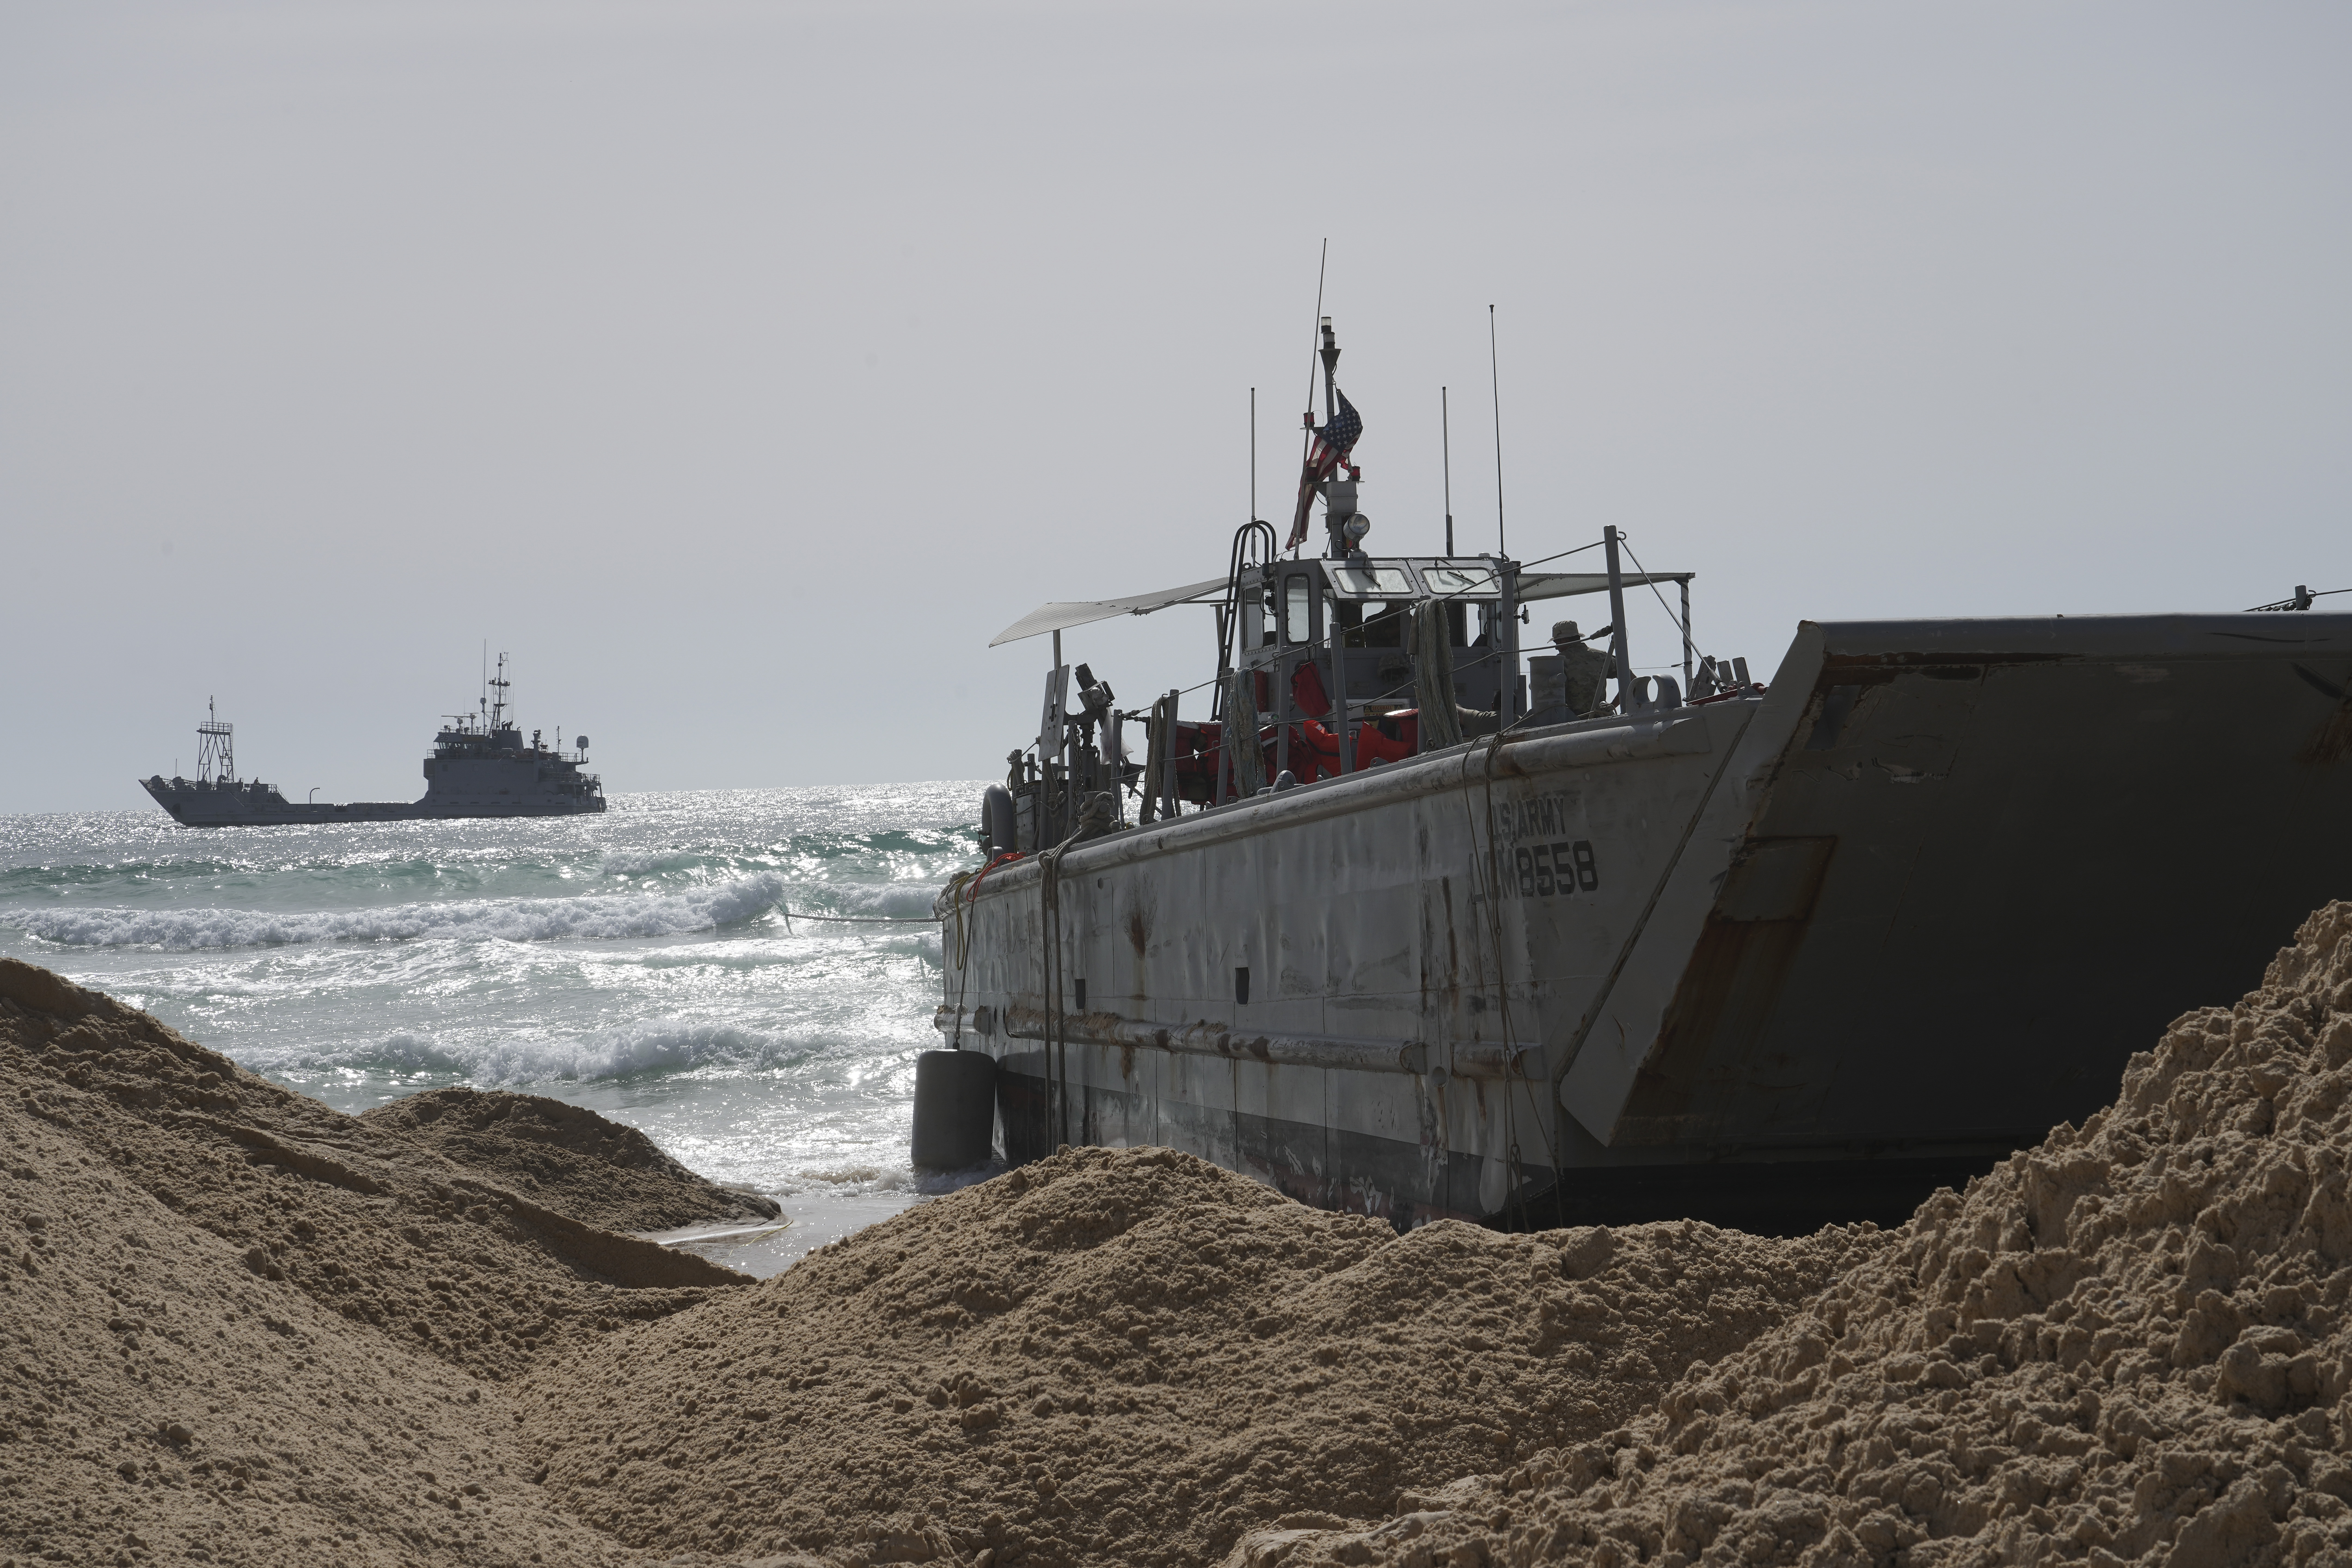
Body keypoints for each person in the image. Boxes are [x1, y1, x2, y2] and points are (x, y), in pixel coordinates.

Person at [1553, 621, 1616, 718]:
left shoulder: (1560, 662)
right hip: (1602, 719)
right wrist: (1611, 707)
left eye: (1557, 643)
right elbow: (1631, 679)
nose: (1556, 648)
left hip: (1574, 723)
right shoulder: (1602, 657)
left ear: (1564, 640)